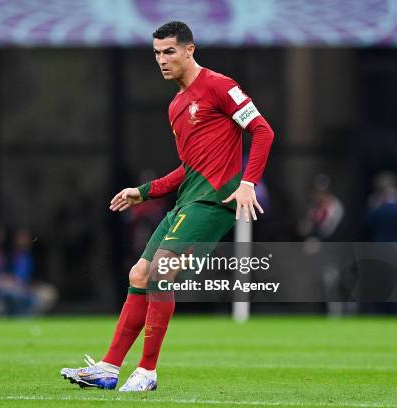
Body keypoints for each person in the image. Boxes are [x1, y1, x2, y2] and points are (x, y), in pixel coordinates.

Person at [61, 21, 274, 391]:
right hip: (186, 202)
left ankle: (146, 372)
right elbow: (188, 169)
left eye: (169, 51)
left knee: (161, 272)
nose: (162, 59)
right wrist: (142, 191)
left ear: (190, 50)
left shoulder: (221, 87)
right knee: (139, 276)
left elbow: (262, 131)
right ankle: (109, 368)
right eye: (157, 53)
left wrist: (247, 183)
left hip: (212, 202)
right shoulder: (176, 105)